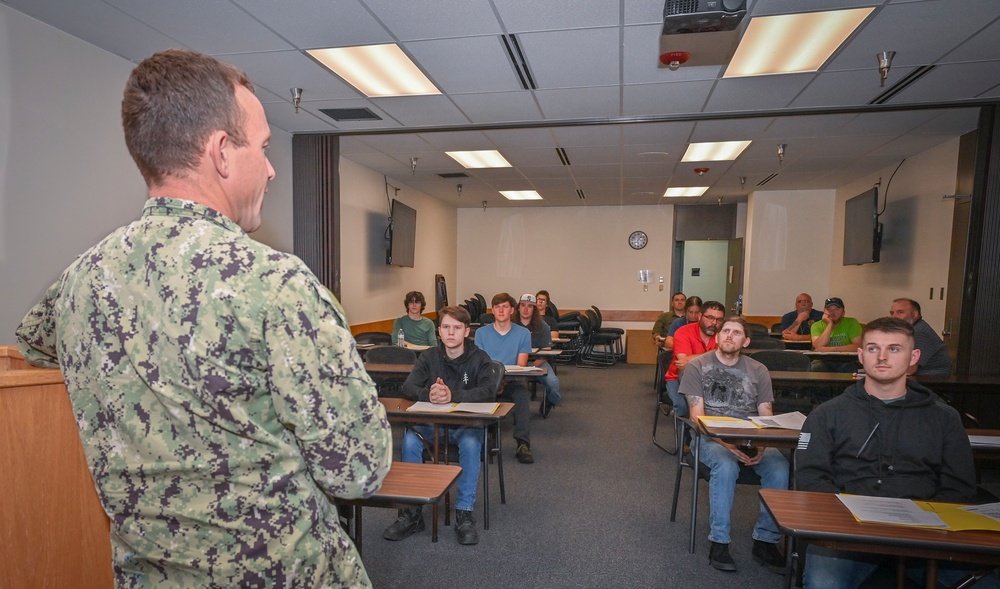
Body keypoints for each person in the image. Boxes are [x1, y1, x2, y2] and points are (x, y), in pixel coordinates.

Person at [14, 49, 391, 588]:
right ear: (220, 153)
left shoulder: (80, 280)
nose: (271, 167)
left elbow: (36, 346)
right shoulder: (275, 285)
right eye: (261, 148)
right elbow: (358, 469)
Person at [795, 317, 994, 589]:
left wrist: (923, 520)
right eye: (874, 348)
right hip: (848, 531)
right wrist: (848, 518)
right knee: (823, 584)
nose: (883, 357)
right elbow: (811, 478)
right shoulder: (827, 415)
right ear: (861, 355)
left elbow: (959, 485)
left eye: (894, 349)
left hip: (923, 533)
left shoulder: (944, 419)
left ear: (914, 357)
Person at [681, 316, 788, 573]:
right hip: (709, 438)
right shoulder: (697, 366)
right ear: (717, 337)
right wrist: (727, 444)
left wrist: (763, 444)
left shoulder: (758, 370)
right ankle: (719, 542)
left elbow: (765, 412)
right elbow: (697, 416)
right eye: (725, 331)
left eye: (736, 332)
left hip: (752, 437)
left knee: (780, 467)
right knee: (726, 465)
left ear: (746, 341)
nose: (729, 335)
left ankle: (765, 540)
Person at [384, 306, 494, 545]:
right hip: (431, 426)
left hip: (464, 427)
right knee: (411, 439)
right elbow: (407, 387)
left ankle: (464, 513)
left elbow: (488, 390)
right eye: (446, 327)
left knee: (472, 442)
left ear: (466, 331)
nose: (451, 333)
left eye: (456, 328)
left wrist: (452, 395)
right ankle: (412, 512)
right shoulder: (429, 356)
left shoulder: (480, 358)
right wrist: (429, 395)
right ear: (439, 331)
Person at [474, 292, 535, 463]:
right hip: (488, 381)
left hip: (512, 380)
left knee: (522, 394)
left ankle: (523, 443)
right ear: (492, 310)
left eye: (505, 307)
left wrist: (503, 381)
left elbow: (521, 365)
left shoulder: (523, 334)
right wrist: (493, 383)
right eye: (497, 307)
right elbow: (481, 364)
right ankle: (482, 440)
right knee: (475, 392)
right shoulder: (481, 333)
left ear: (512, 310)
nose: (501, 310)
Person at [662, 300, 725, 417]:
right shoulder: (683, 332)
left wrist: (694, 358)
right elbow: (684, 364)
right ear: (700, 316)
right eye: (710, 318)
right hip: (678, 378)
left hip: (713, 377)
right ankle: (686, 434)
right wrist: (717, 353)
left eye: (719, 320)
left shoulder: (724, 335)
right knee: (684, 407)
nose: (714, 323)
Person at [517, 293, 561, 417]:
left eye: (530, 306)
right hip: (514, 362)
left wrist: (532, 367)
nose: (525, 309)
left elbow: (546, 352)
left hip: (537, 362)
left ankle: (550, 401)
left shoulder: (543, 326)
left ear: (534, 309)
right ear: (518, 307)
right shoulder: (511, 325)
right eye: (523, 305)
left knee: (553, 384)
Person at [889, 297, 952, 375]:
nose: (894, 317)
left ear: (915, 314)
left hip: (932, 381)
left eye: (900, 312)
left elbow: (910, 369)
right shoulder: (911, 330)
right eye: (892, 313)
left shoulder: (919, 332)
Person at [811, 297, 863, 372]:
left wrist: (830, 349)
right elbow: (818, 346)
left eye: (836, 309)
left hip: (846, 360)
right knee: (816, 367)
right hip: (823, 360)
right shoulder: (816, 326)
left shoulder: (852, 322)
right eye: (829, 309)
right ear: (824, 311)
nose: (832, 312)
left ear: (843, 312)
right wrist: (829, 324)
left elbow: (858, 346)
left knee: (848, 368)